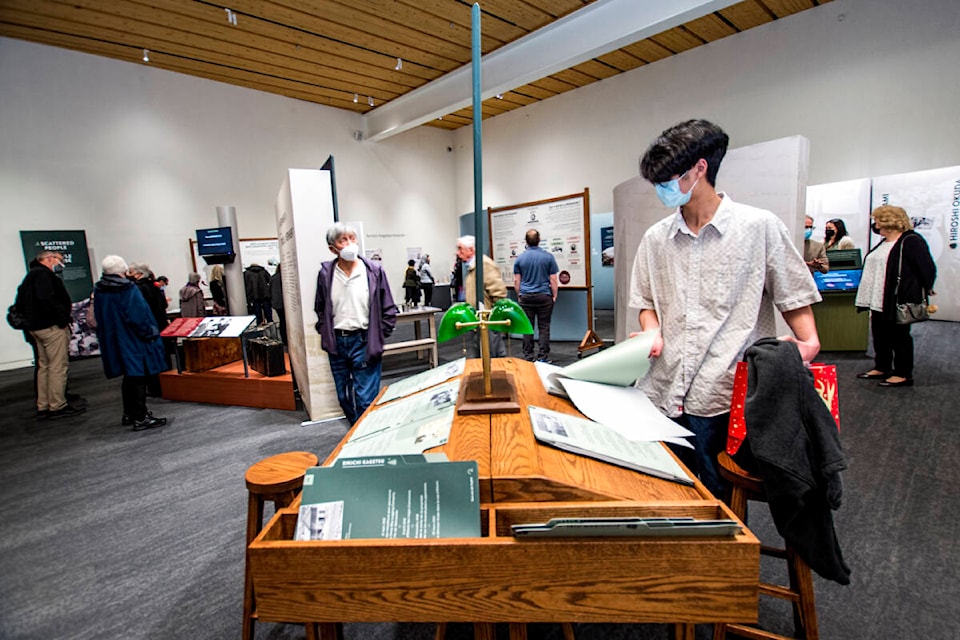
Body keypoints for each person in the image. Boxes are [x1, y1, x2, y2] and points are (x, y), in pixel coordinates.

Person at [630, 119, 822, 497]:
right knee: (667, 489)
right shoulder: (656, 239)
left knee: (718, 497)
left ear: (700, 169)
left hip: (723, 391)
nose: (661, 191)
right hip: (662, 387)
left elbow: (793, 294)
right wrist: (652, 329)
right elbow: (646, 301)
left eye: (667, 180)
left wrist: (809, 340)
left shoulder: (759, 227)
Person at [314, 223, 398, 424]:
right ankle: (357, 429)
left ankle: (363, 439)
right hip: (337, 343)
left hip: (363, 340)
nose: (350, 243)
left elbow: (388, 306)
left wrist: (379, 334)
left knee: (365, 399)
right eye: (343, 240)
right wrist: (324, 331)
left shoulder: (374, 271)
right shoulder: (326, 274)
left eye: (352, 238)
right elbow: (320, 306)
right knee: (344, 397)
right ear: (332, 248)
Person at [854, 205, 936, 387]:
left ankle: (903, 373)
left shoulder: (911, 240)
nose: (874, 225)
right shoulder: (884, 242)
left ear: (887, 222)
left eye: (876, 221)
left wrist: (926, 288)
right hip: (877, 298)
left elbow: (926, 268)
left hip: (897, 298)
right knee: (880, 333)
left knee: (899, 336)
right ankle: (882, 366)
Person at [93, 255, 168, 430]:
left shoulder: (100, 290)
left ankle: (130, 413)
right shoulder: (127, 289)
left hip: (114, 339)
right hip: (134, 339)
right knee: (138, 376)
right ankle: (140, 417)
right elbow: (138, 316)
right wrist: (150, 332)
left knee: (129, 377)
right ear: (124, 271)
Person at [14, 249, 86, 419]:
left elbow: (21, 304)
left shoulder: (30, 277)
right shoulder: (44, 277)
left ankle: (44, 404)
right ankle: (57, 405)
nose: (60, 265)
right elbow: (48, 299)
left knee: (44, 366)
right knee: (57, 366)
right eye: (59, 260)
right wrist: (62, 319)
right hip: (51, 328)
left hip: (36, 328)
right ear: (49, 259)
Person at [456, 235, 508, 358]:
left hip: (488, 321)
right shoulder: (474, 267)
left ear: (471, 250)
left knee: (491, 356)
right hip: (480, 321)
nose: (458, 253)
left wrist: (496, 319)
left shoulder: (484, 265)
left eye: (460, 249)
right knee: (483, 355)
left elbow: (498, 292)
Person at [513, 229, 559, 362]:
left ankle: (528, 357)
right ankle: (543, 358)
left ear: (526, 241)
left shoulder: (520, 258)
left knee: (527, 327)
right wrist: (554, 295)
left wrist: (520, 295)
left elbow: (517, 281)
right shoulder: (548, 257)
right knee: (544, 327)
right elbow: (553, 280)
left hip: (526, 296)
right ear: (539, 240)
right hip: (544, 296)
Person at [128, 263, 171, 396]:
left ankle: (154, 387)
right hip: (161, 324)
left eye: (131, 272)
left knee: (150, 359)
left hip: (148, 328)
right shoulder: (156, 287)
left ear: (138, 274)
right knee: (164, 355)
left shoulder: (136, 289)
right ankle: (168, 383)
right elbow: (163, 304)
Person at [270, 262, 286, 345]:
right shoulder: (284, 278)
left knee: (282, 321)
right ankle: (286, 340)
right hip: (284, 303)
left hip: (276, 303)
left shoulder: (273, 277)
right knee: (285, 322)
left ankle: (284, 339)